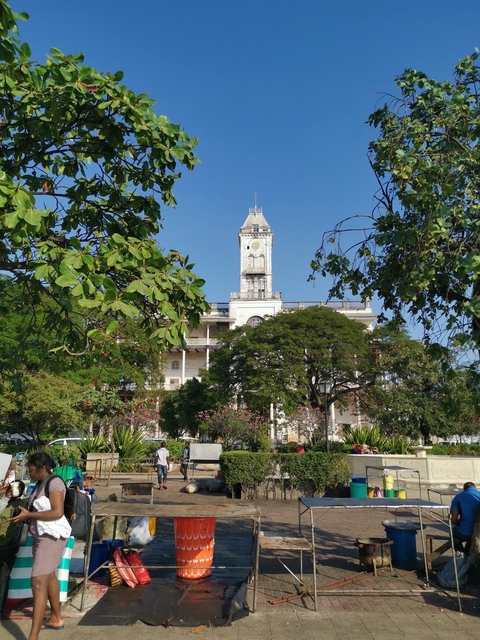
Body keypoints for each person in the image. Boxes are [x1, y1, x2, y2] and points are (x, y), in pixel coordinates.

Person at [10, 452, 71, 639]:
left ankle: (33, 636)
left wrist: (28, 516)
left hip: (50, 539)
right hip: (42, 538)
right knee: (49, 576)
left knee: (37, 582)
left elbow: (57, 512)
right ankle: (55, 618)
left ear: (42, 468)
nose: (29, 474)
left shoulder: (54, 483)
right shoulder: (40, 484)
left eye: (31, 471)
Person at [0, 480, 26, 617]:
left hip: (7, 545)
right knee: (3, 578)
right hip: (10, 545)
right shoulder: (22, 504)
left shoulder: (21, 504)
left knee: (4, 577)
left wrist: (5, 497)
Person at [450, 481, 480, 554]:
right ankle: (468, 553)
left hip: (465, 532)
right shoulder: (478, 496)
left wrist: (459, 523)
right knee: (471, 541)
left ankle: (460, 553)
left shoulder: (458, 497)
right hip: (478, 534)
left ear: (464, 489)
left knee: (453, 532)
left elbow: (453, 520)